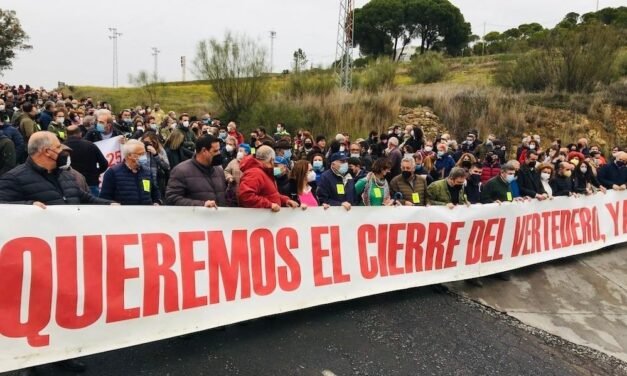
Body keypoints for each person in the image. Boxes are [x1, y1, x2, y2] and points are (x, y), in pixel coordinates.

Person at [165, 134, 227, 207]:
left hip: (218, 217)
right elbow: (172, 199)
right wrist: (201, 205)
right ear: (204, 151)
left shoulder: (219, 171)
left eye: (219, 150)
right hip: (193, 217)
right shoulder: (181, 171)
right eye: (215, 151)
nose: (219, 153)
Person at [238, 145, 300, 211]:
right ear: (271, 160)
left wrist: (285, 201)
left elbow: (270, 195)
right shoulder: (255, 173)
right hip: (259, 219)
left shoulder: (264, 172)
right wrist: (269, 205)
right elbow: (246, 196)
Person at [99, 140, 161, 205]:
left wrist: (157, 202)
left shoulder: (147, 172)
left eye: (144, 153)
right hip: (123, 213)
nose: (144, 156)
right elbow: (105, 197)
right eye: (140, 154)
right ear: (129, 156)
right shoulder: (112, 173)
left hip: (145, 212)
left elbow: (155, 191)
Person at [64, 125, 109, 196]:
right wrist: (96, 173)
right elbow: (104, 164)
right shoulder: (90, 145)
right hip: (91, 182)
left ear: (66, 134)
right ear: (80, 133)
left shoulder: (62, 148)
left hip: (69, 184)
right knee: (93, 205)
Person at [140, 132, 170, 200]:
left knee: (158, 200)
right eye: (145, 142)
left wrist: (156, 154)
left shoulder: (160, 150)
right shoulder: (140, 150)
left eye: (150, 142)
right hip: (145, 180)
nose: (148, 144)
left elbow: (167, 166)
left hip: (157, 180)